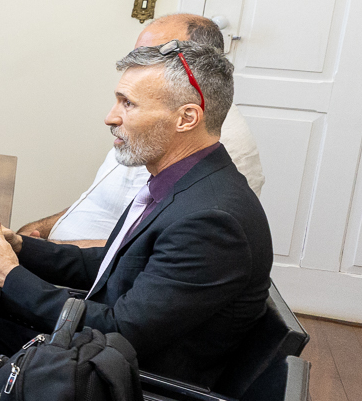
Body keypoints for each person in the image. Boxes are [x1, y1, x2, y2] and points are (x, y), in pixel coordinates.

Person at [0, 41, 272, 388]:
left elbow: (120, 332)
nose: (111, 117)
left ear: (186, 118)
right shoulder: (183, 182)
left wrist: (8, 274)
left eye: (128, 104)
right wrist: (19, 247)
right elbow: (114, 266)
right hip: (101, 357)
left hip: (121, 394)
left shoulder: (213, 221)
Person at [19, 13, 264, 243]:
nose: (137, 66)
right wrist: (33, 236)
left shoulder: (212, 145)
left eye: (154, 56)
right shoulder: (148, 126)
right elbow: (100, 201)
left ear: (199, 62)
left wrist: (45, 253)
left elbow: (143, 249)